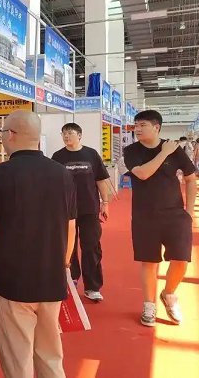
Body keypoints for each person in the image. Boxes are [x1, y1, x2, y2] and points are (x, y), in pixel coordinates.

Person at [0, 111, 76, 378]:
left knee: (18, 360)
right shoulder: (61, 173)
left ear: (10, 135)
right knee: (51, 357)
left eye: (2, 132)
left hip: (12, 283)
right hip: (52, 281)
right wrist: (64, 264)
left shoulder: (2, 173)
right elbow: (71, 226)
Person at [124, 110, 197, 327]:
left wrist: (189, 211)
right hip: (144, 215)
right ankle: (149, 304)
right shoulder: (131, 151)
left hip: (175, 214)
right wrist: (163, 153)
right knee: (149, 261)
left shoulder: (175, 149)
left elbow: (191, 179)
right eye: (136, 125)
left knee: (181, 260)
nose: (137, 129)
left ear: (156, 127)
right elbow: (143, 173)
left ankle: (169, 293)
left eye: (142, 125)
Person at [52, 123, 111, 302]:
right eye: (64, 133)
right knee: (67, 247)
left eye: (70, 133)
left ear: (79, 135)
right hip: (66, 210)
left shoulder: (91, 154)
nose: (66, 136)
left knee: (91, 246)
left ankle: (93, 286)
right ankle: (71, 279)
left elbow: (101, 180)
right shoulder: (57, 156)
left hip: (89, 209)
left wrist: (105, 203)